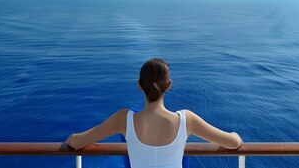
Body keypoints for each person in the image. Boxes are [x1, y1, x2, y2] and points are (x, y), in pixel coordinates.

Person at [65, 58, 243, 168]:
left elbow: (76, 142)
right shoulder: (186, 120)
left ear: (139, 85)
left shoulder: (123, 119)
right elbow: (234, 143)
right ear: (169, 85)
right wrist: (234, 134)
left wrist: (72, 139)